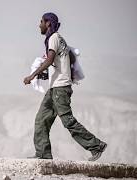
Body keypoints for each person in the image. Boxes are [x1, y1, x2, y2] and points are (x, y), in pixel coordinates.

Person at [23, 12, 107, 161]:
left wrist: (32, 76)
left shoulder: (54, 38)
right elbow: (59, 62)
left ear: (48, 23)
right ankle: (43, 154)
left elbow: (49, 61)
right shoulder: (57, 39)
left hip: (60, 89)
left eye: (41, 21)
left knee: (68, 121)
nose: (39, 24)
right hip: (55, 88)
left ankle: (96, 146)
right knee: (41, 119)